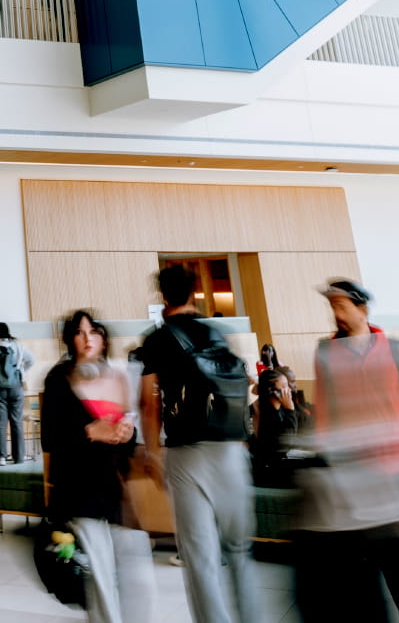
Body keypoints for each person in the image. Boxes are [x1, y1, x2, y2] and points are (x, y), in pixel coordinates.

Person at [295, 279, 399, 623]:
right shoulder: (326, 354)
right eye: (331, 307)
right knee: (390, 558)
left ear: (362, 310)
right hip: (362, 475)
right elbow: (326, 412)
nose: (336, 314)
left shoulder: (394, 350)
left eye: (341, 306)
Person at [139, 265, 260, 623]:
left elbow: (149, 403)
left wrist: (151, 451)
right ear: (194, 293)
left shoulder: (158, 339)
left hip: (186, 454)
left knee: (200, 557)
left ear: (162, 296)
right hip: (231, 449)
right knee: (239, 550)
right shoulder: (217, 332)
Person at [42, 310, 155, 623]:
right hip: (79, 489)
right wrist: (89, 431)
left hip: (115, 489)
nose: (87, 338)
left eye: (93, 331)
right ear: (70, 340)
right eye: (79, 332)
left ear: (104, 338)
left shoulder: (116, 377)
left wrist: (127, 434)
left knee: (139, 579)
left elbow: (128, 434)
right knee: (101, 579)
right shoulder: (59, 379)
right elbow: (51, 438)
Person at [0, 322, 34, 464]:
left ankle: (1, 457)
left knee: (0, 423)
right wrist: (21, 372)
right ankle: (19, 457)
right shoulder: (16, 344)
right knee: (17, 422)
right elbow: (32, 360)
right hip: (16, 387)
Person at [250, 368, 298, 487]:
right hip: (265, 474)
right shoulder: (258, 411)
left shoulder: (278, 408)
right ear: (271, 391)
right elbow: (285, 444)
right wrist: (290, 411)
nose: (289, 390)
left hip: (276, 467)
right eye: (284, 386)